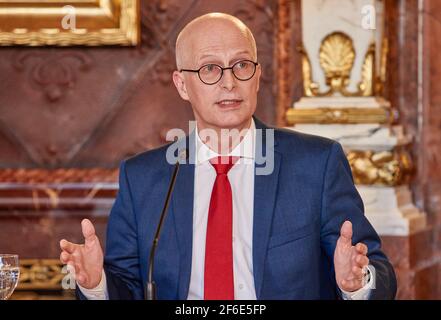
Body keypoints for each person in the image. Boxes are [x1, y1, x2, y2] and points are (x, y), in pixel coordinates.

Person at [59, 13, 396, 300]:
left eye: (241, 65)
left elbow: (379, 273)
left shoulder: (317, 163)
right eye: (209, 69)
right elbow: (128, 286)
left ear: (258, 74)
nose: (230, 82)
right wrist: (96, 283)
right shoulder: (143, 178)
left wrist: (357, 283)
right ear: (181, 84)